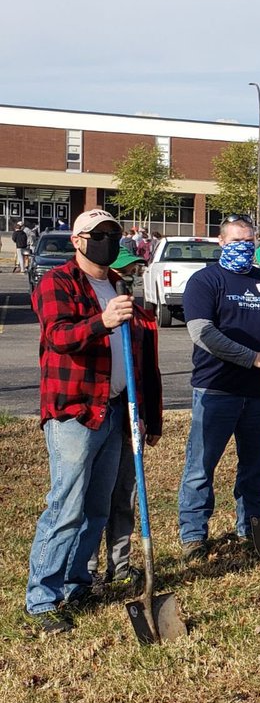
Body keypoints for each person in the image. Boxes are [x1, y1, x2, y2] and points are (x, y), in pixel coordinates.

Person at [25, 209, 163, 634]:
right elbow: (59, 336)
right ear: (79, 240)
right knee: (66, 505)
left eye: (114, 234)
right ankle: (42, 598)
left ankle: (76, 581)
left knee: (97, 508)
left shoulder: (118, 284)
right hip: (76, 410)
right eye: (99, 234)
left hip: (116, 409)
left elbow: (138, 358)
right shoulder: (58, 282)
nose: (108, 241)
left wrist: (142, 415)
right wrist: (102, 321)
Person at [177, 214, 260, 560]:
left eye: (249, 242)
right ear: (221, 243)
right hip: (216, 388)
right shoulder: (206, 281)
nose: (243, 248)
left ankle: (251, 526)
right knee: (201, 466)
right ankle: (194, 536)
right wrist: (252, 357)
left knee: (255, 465)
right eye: (236, 242)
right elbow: (203, 334)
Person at [88, 245, 153, 591]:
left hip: (127, 412)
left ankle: (121, 564)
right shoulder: (97, 310)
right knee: (93, 498)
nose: (130, 277)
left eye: (134, 271)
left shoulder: (142, 316)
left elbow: (143, 373)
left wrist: (143, 416)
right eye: (124, 270)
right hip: (98, 412)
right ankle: (87, 569)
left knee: (124, 493)